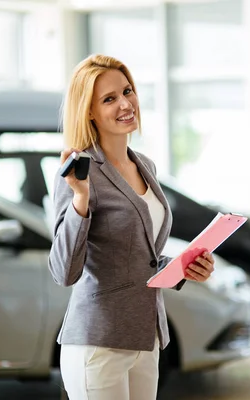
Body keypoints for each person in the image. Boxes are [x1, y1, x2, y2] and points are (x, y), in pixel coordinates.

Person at [48, 54, 216, 400]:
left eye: (127, 91)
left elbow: (141, 257)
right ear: (89, 111)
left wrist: (185, 267)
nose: (125, 104)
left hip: (145, 336)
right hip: (98, 340)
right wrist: (81, 199)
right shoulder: (78, 173)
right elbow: (63, 271)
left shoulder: (146, 166)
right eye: (109, 99)